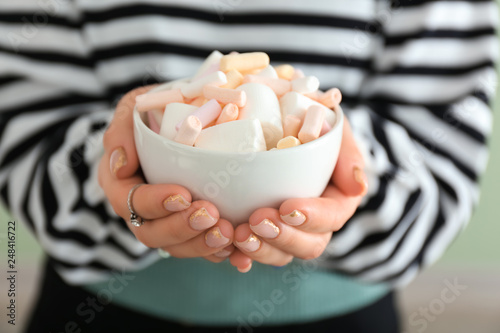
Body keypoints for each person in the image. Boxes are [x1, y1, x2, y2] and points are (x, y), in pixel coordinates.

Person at [0, 0, 497, 332]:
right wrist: (116, 178)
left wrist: (347, 173)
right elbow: (22, 128)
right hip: (101, 308)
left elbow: (440, 166)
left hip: (343, 312)